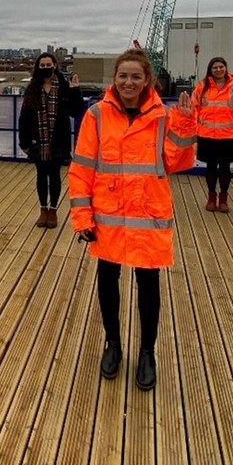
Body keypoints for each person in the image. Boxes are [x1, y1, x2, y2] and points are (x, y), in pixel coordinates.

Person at [68, 45, 196, 391]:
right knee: (107, 282)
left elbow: (176, 163)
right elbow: (81, 169)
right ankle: (113, 343)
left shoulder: (163, 116)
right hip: (107, 216)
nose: (128, 81)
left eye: (135, 76)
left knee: (148, 286)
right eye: (123, 75)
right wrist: (82, 216)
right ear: (115, 78)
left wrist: (184, 123)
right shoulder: (96, 115)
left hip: (147, 214)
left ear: (147, 80)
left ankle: (147, 351)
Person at [18, 52, 82, 228]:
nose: (46, 68)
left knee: (54, 176)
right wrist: (23, 142)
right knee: (41, 176)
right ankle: (43, 209)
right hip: (37, 142)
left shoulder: (63, 86)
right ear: (38, 67)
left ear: (55, 66)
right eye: (43, 65)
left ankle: (53, 210)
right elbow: (23, 117)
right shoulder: (32, 88)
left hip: (58, 141)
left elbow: (74, 111)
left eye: (49, 65)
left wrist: (76, 90)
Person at [192, 57, 233, 213]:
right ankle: (211, 197)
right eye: (215, 67)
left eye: (221, 67)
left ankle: (224, 198)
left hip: (228, 135)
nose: (218, 70)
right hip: (208, 134)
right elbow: (194, 107)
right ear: (210, 70)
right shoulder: (202, 86)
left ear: (226, 68)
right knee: (211, 167)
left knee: (225, 168)